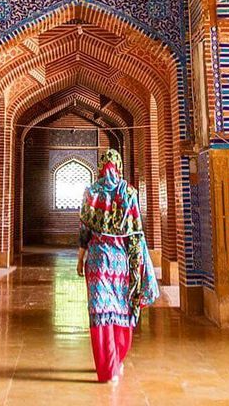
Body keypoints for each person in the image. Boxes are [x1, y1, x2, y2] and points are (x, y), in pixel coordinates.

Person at [76, 148, 159, 384]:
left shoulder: (91, 193)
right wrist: (139, 265)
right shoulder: (129, 193)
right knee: (122, 311)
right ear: (119, 166)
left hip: (97, 262)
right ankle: (117, 360)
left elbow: (84, 231)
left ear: (100, 167)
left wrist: (80, 258)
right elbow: (135, 233)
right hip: (121, 263)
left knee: (100, 313)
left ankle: (106, 367)